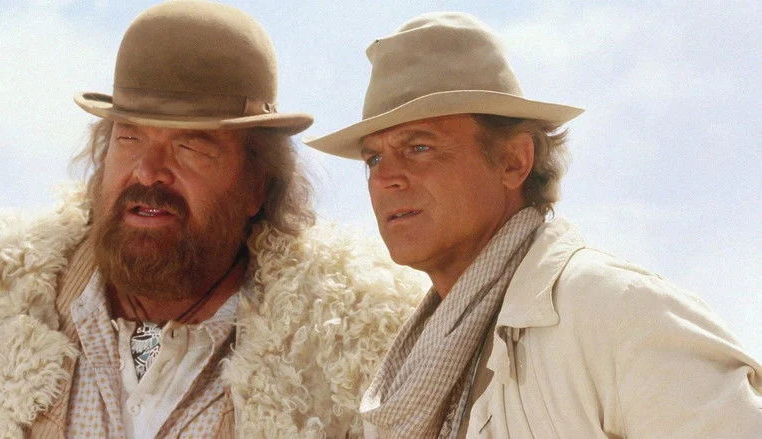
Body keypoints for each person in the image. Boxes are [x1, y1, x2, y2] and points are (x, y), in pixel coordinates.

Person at [305, 12, 762, 438]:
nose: (386, 178)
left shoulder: (614, 310)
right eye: (373, 158)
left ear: (513, 161)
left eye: (419, 147)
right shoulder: (418, 361)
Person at [0, 2, 423, 437]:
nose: (148, 171)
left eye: (189, 147)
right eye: (129, 139)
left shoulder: (347, 350)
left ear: (257, 183)